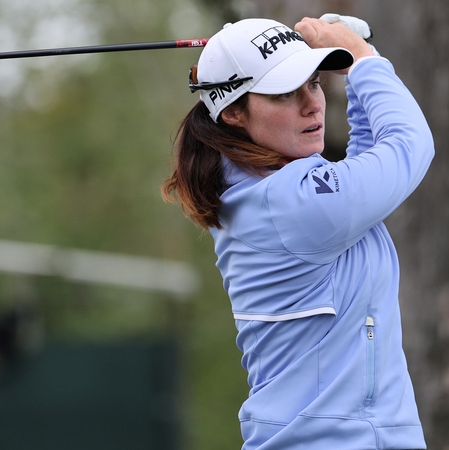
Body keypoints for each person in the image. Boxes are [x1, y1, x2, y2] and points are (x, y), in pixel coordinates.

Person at [162, 14, 434, 450]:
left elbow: (367, 163)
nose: (312, 104)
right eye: (284, 93)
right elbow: (408, 145)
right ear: (232, 112)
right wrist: (363, 57)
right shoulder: (292, 202)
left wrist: (358, 70)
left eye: (314, 83)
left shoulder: (267, 188)